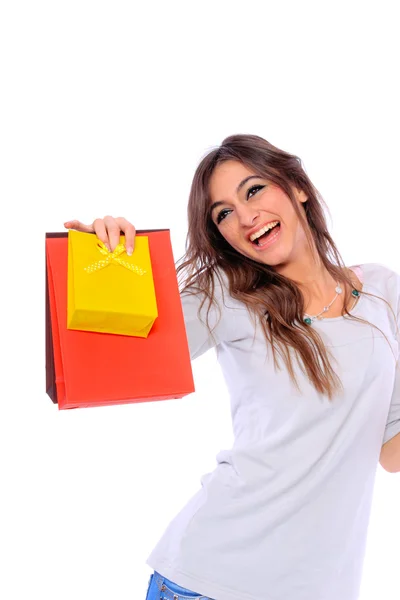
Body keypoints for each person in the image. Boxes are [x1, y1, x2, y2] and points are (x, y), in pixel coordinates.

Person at [65, 134, 400, 600]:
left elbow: (391, 451)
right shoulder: (224, 295)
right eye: (223, 213)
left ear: (297, 186)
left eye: (254, 190)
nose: (246, 217)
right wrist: (107, 265)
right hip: (212, 582)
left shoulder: (384, 291)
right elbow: (111, 360)